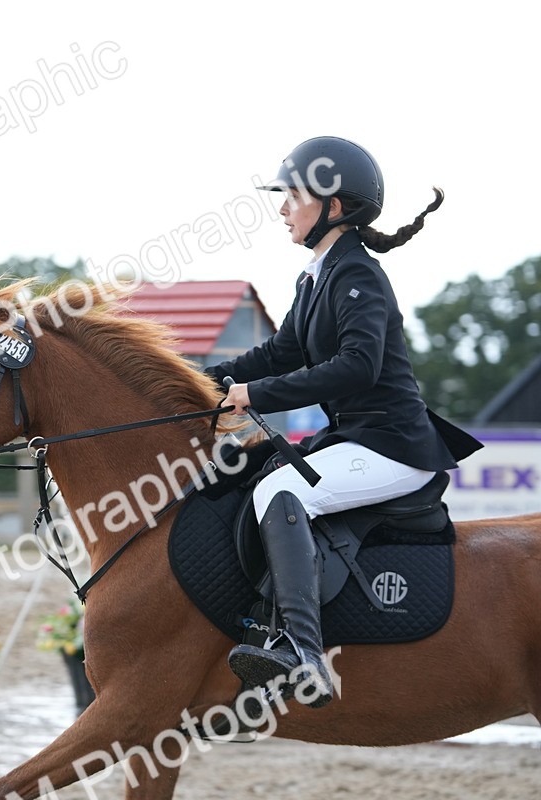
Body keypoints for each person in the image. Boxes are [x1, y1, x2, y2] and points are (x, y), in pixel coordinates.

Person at [205, 137, 482, 708]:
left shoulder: (358, 275)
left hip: (393, 446)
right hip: (355, 438)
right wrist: (199, 381)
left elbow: (358, 366)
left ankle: (302, 651)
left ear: (333, 207)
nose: (282, 209)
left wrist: (254, 394)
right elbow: (280, 353)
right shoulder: (316, 276)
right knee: (260, 475)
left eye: (293, 197)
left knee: (281, 490)